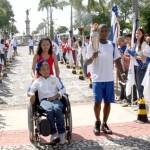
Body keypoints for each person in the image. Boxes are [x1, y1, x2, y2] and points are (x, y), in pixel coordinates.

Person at [86, 24, 126, 135]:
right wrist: (93, 56)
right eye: (101, 31)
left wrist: (122, 73)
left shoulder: (112, 45)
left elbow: (117, 60)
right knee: (97, 102)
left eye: (105, 31)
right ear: (97, 32)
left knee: (108, 102)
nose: (103, 33)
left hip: (109, 78)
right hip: (97, 79)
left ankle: (105, 123)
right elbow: (87, 62)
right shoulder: (93, 45)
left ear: (108, 32)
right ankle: (97, 122)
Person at [28, 59, 66, 144]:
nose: (46, 71)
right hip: (44, 101)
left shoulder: (54, 79)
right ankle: (54, 133)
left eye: (47, 69)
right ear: (40, 71)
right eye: (44, 69)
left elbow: (63, 89)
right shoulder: (37, 81)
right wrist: (31, 94)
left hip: (55, 99)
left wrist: (56, 96)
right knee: (50, 110)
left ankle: (62, 133)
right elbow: (30, 90)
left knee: (57, 109)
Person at [127, 28, 148, 100]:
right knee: (136, 85)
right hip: (134, 66)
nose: (137, 35)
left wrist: (134, 55)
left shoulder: (144, 44)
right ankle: (140, 103)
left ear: (142, 35)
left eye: (139, 33)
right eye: (136, 33)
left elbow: (144, 58)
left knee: (140, 86)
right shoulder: (135, 43)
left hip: (141, 67)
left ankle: (142, 104)